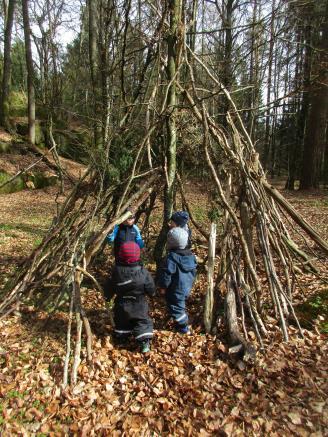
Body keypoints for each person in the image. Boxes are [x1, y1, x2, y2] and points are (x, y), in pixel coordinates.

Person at [104, 241, 155, 353]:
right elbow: (150, 285)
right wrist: (152, 293)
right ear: (137, 256)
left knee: (122, 321)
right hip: (139, 303)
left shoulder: (116, 271)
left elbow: (110, 285)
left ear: (120, 255)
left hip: (122, 304)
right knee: (142, 321)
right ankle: (144, 342)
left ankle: (122, 338)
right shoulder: (143, 272)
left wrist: (107, 296)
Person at [156, 227, 197, 334]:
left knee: (176, 307)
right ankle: (176, 321)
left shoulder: (171, 258)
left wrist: (163, 287)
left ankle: (184, 327)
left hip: (175, 288)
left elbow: (166, 274)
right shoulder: (191, 256)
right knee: (177, 304)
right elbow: (194, 271)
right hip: (186, 286)